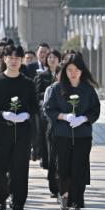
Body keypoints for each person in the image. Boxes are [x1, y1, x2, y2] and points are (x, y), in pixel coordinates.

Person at [0, 44, 38, 210]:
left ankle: (18, 205)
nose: (14, 61)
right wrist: (3, 114)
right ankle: (1, 198)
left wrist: (26, 114)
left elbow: (35, 106)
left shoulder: (28, 83)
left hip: (22, 132)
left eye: (17, 58)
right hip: (0, 131)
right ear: (4, 59)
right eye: (11, 58)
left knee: (20, 169)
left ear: (21, 61)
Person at [44, 53, 101, 210]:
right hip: (62, 135)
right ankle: (64, 195)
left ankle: (77, 206)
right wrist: (64, 116)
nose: (73, 73)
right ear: (65, 70)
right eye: (69, 70)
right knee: (63, 169)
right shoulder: (57, 88)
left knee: (79, 170)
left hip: (82, 135)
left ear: (82, 71)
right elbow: (49, 109)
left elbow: (95, 110)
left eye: (76, 70)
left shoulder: (88, 89)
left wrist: (84, 119)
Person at [35, 49, 62, 197]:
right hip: (46, 114)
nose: (51, 59)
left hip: (63, 119)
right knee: (48, 145)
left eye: (54, 57)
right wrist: (48, 93)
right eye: (49, 57)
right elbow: (36, 93)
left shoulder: (65, 77)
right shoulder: (42, 76)